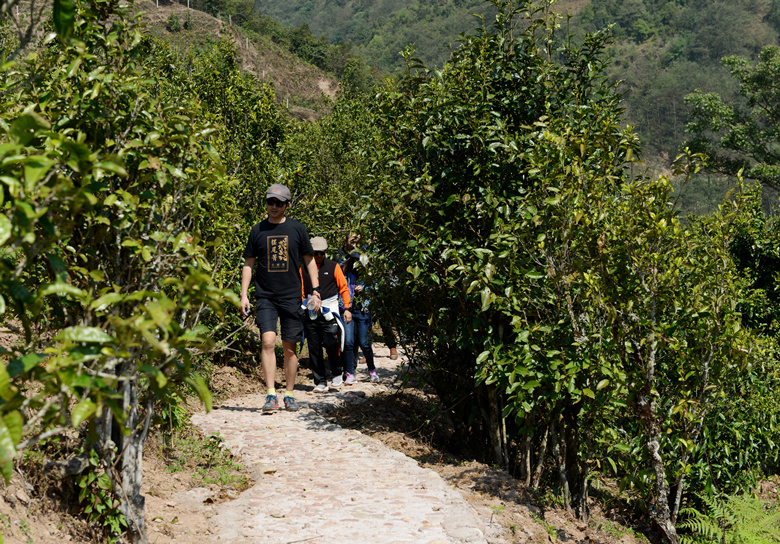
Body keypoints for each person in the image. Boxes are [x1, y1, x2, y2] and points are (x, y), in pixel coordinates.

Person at [240, 183, 321, 412]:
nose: (273, 207)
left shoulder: (297, 229)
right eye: (269, 202)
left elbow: (309, 261)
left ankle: (290, 393)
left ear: (287, 205)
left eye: (278, 203)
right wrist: (244, 294)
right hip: (265, 295)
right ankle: (270, 394)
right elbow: (249, 263)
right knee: (267, 342)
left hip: (291, 296)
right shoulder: (257, 230)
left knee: (290, 347)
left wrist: (316, 291)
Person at [302, 237, 352, 392]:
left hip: (329, 311)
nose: (319, 256)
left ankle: (337, 370)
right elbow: (302, 290)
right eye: (316, 253)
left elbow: (343, 287)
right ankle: (320, 381)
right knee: (314, 346)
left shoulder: (333, 266)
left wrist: (347, 308)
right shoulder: (303, 268)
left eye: (322, 253)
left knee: (331, 341)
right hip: (311, 312)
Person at [341, 252, 379, 383]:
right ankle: (350, 373)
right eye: (355, 259)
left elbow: (377, 288)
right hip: (348, 311)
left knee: (364, 343)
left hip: (363, 311)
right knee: (349, 342)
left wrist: (365, 289)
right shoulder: (345, 271)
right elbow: (340, 288)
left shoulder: (369, 273)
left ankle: (372, 370)